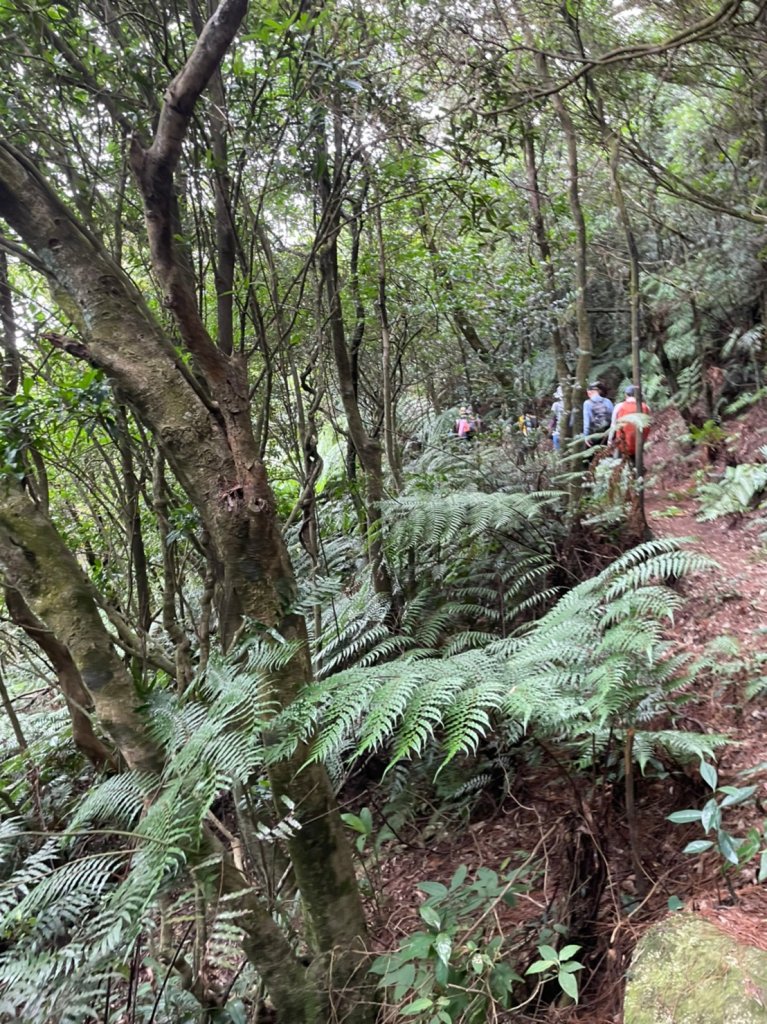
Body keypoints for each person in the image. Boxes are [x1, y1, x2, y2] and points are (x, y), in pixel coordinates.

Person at [608, 385, 650, 458]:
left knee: (617, 460)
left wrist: (610, 440)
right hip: (638, 442)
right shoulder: (646, 407)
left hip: (622, 441)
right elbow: (647, 425)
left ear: (626, 395)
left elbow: (613, 425)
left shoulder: (620, 406)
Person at [582, 382, 614, 447]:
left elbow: (587, 423)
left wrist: (586, 436)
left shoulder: (587, 403)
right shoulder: (608, 401)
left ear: (589, 392)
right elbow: (613, 418)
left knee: (592, 455)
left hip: (593, 435)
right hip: (607, 434)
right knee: (605, 454)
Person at [548, 387, 565, 451]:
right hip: (569, 433)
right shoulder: (572, 404)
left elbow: (553, 418)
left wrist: (550, 426)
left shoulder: (556, 405)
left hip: (558, 432)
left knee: (558, 452)